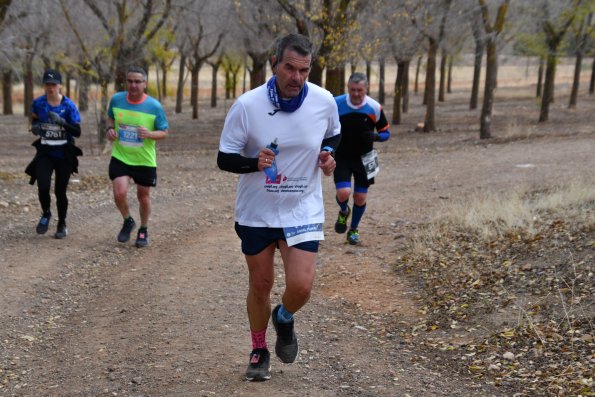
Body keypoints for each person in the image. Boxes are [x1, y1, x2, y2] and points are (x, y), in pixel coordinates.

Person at [217, 33, 341, 382]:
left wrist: (329, 156)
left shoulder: (323, 100)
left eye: (303, 70)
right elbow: (224, 158)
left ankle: (284, 317)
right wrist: (252, 162)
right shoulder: (247, 105)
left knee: (301, 286)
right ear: (275, 64)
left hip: (302, 206)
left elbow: (333, 135)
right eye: (289, 67)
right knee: (261, 284)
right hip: (258, 210)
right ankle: (259, 349)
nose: (296, 77)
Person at [105, 66, 169, 248]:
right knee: (119, 192)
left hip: (144, 159)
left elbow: (164, 132)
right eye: (130, 81)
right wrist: (109, 129)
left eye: (138, 81)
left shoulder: (154, 106)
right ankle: (127, 220)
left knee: (143, 196)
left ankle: (143, 228)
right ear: (126, 82)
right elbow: (110, 118)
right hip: (121, 156)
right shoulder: (117, 100)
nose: (133, 85)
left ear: (145, 84)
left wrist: (149, 134)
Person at [333, 72, 391, 245]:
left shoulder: (374, 107)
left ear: (366, 89)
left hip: (367, 157)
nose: (356, 94)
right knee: (343, 192)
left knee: (360, 197)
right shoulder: (336, 104)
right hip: (342, 155)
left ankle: (353, 230)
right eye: (352, 90)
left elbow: (386, 132)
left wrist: (376, 137)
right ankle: (344, 211)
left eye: (360, 90)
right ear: (348, 88)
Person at [25, 69, 83, 239]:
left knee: (60, 191)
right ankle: (46, 213)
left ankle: (62, 223)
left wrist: (63, 123)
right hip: (45, 151)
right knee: (42, 185)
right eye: (47, 84)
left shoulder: (69, 105)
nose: (50, 88)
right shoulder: (38, 103)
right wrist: (35, 127)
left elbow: (77, 132)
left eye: (54, 84)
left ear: (60, 86)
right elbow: (35, 120)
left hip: (64, 153)